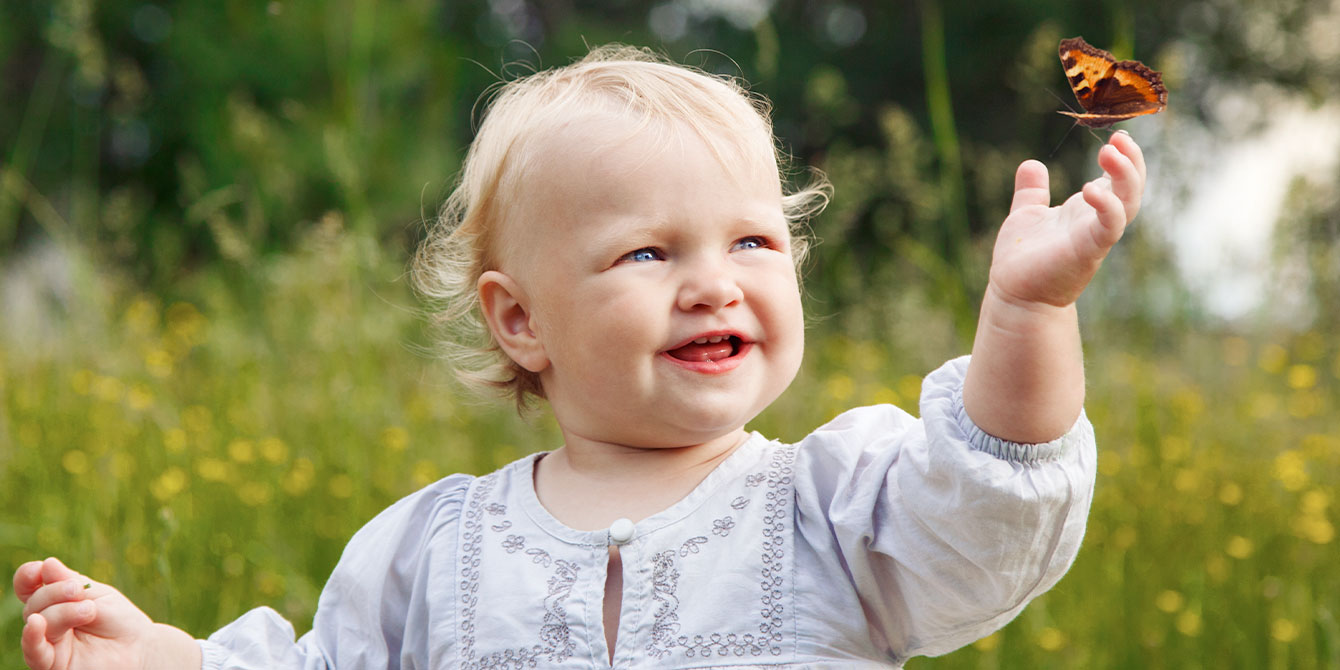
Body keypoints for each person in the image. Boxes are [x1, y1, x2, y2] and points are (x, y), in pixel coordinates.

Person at [13, 44, 1145, 669]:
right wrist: (164, 656)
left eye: (751, 239)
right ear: (520, 322)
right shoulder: (426, 551)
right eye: (648, 251)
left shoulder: (829, 506)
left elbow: (990, 501)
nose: (714, 280)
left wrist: (1024, 314)